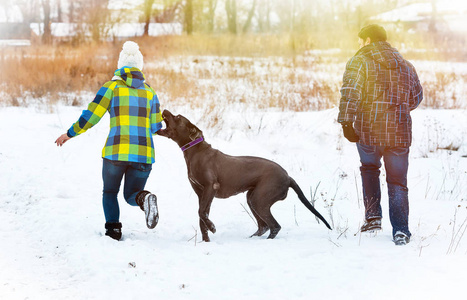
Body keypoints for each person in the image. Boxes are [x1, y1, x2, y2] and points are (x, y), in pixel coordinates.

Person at [55, 41, 163, 241]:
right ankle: (145, 198)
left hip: (116, 152)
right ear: (139, 67)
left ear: (120, 65)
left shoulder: (111, 88)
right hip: (144, 155)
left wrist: (70, 133)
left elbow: (91, 116)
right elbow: (156, 128)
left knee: (110, 191)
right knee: (133, 194)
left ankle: (113, 231)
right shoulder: (150, 93)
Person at [337, 24, 423, 246]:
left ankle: (373, 218)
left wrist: (347, 122)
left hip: (368, 130)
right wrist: (398, 110)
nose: (358, 44)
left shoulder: (360, 60)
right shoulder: (406, 65)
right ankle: (401, 230)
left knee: (369, 170)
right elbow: (416, 98)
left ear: (367, 40)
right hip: (399, 132)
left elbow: (350, 93)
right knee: (397, 181)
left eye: (360, 40)